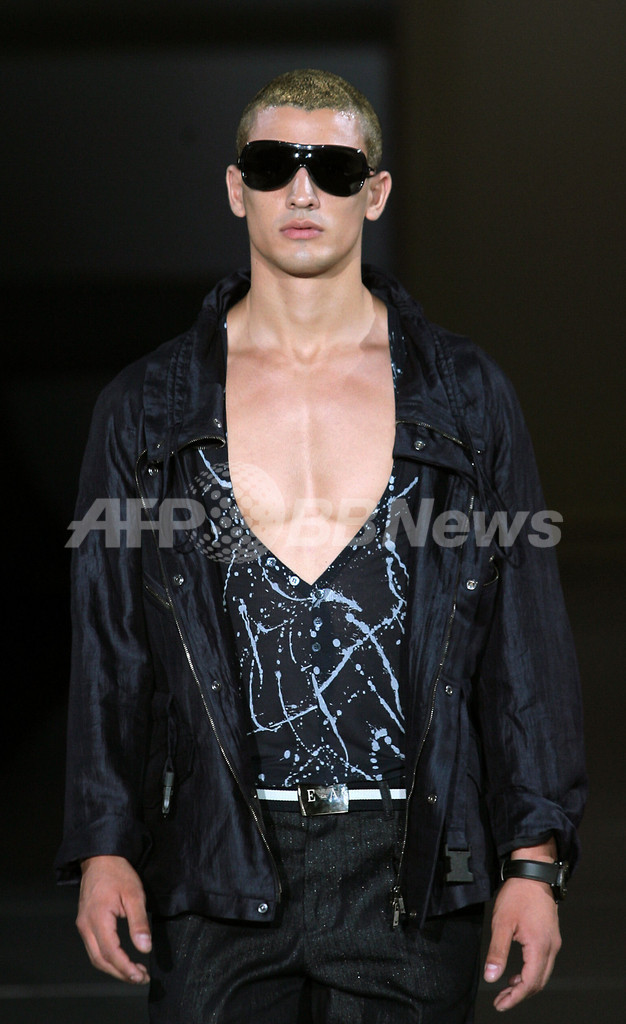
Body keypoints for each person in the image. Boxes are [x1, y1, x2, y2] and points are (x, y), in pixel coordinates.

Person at [56, 69, 586, 1023]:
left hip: (410, 865)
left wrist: (534, 862)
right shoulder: (146, 409)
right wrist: (103, 845)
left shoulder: (467, 397)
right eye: (274, 165)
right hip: (214, 861)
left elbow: (525, 646)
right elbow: (111, 649)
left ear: (374, 194)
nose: (302, 190)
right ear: (237, 188)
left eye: (333, 169)